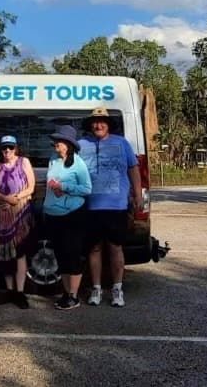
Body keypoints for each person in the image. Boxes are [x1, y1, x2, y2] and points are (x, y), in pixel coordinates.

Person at [78, 107, 142, 308]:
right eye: (95, 122)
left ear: (108, 125)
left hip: (117, 205)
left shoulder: (122, 143)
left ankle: (117, 289)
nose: (98, 125)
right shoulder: (81, 144)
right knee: (94, 248)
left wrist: (138, 194)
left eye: (102, 121)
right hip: (90, 206)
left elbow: (133, 169)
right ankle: (96, 289)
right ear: (90, 125)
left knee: (115, 247)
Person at [44, 125, 92, 310]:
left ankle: (73, 295)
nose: (55, 143)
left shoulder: (78, 163)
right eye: (55, 140)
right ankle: (66, 292)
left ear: (68, 144)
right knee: (61, 255)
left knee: (73, 254)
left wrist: (64, 187)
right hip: (53, 215)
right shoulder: (53, 160)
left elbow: (87, 189)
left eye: (59, 141)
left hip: (72, 215)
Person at [0, 135, 36, 309]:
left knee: (20, 251)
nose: (7, 151)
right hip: (2, 212)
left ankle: (20, 291)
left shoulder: (24, 162)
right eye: (4, 148)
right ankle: (9, 290)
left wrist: (14, 198)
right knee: (4, 251)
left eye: (10, 147)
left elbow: (31, 187)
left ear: (16, 148)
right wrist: (5, 199)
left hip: (21, 211)